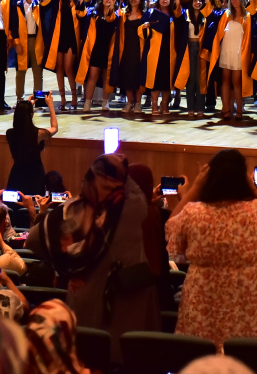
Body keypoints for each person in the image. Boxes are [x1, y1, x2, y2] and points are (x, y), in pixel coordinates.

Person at [29, 153, 159, 364]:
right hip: (126, 305)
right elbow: (136, 189)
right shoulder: (133, 207)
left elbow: (33, 240)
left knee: (87, 359)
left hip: (84, 302)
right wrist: (120, 164)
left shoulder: (73, 212)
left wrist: (67, 266)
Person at [166, 148, 257, 348]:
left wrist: (196, 187)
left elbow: (170, 227)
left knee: (202, 363)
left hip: (202, 307)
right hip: (248, 306)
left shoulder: (194, 213)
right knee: (247, 361)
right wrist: (251, 186)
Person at [5, 96, 58, 195]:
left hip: (16, 175)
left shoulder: (9, 133)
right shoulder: (38, 134)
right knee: (35, 203)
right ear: (31, 114)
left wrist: (25, 108)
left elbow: (22, 121)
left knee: (15, 204)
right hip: (35, 175)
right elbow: (54, 128)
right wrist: (50, 105)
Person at [11, 0, 49, 104]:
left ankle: (38, 99)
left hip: (37, 41)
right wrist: (16, 43)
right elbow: (14, 26)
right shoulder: (17, 5)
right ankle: (20, 99)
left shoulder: (40, 4)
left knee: (38, 72)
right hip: (22, 41)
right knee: (20, 72)